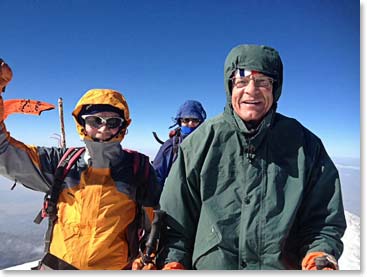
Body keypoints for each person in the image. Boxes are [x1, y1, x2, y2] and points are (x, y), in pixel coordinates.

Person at [155, 44, 346, 270]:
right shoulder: (200, 144)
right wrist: (173, 263)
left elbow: (323, 221)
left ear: (275, 88)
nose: (251, 90)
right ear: (230, 87)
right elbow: (176, 226)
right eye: (241, 81)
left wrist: (319, 254)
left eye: (263, 81)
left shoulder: (305, 145)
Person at [0, 60, 162, 270]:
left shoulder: (138, 169)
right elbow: (4, 153)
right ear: (82, 124)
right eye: (95, 120)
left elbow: (155, 223)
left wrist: (150, 260)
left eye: (112, 122)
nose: (103, 128)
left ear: (123, 126)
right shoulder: (61, 163)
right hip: (58, 266)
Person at [152, 100, 206, 187]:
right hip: (176, 197)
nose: (190, 123)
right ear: (180, 121)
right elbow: (156, 178)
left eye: (195, 120)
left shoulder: (208, 143)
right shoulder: (171, 146)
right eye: (186, 120)